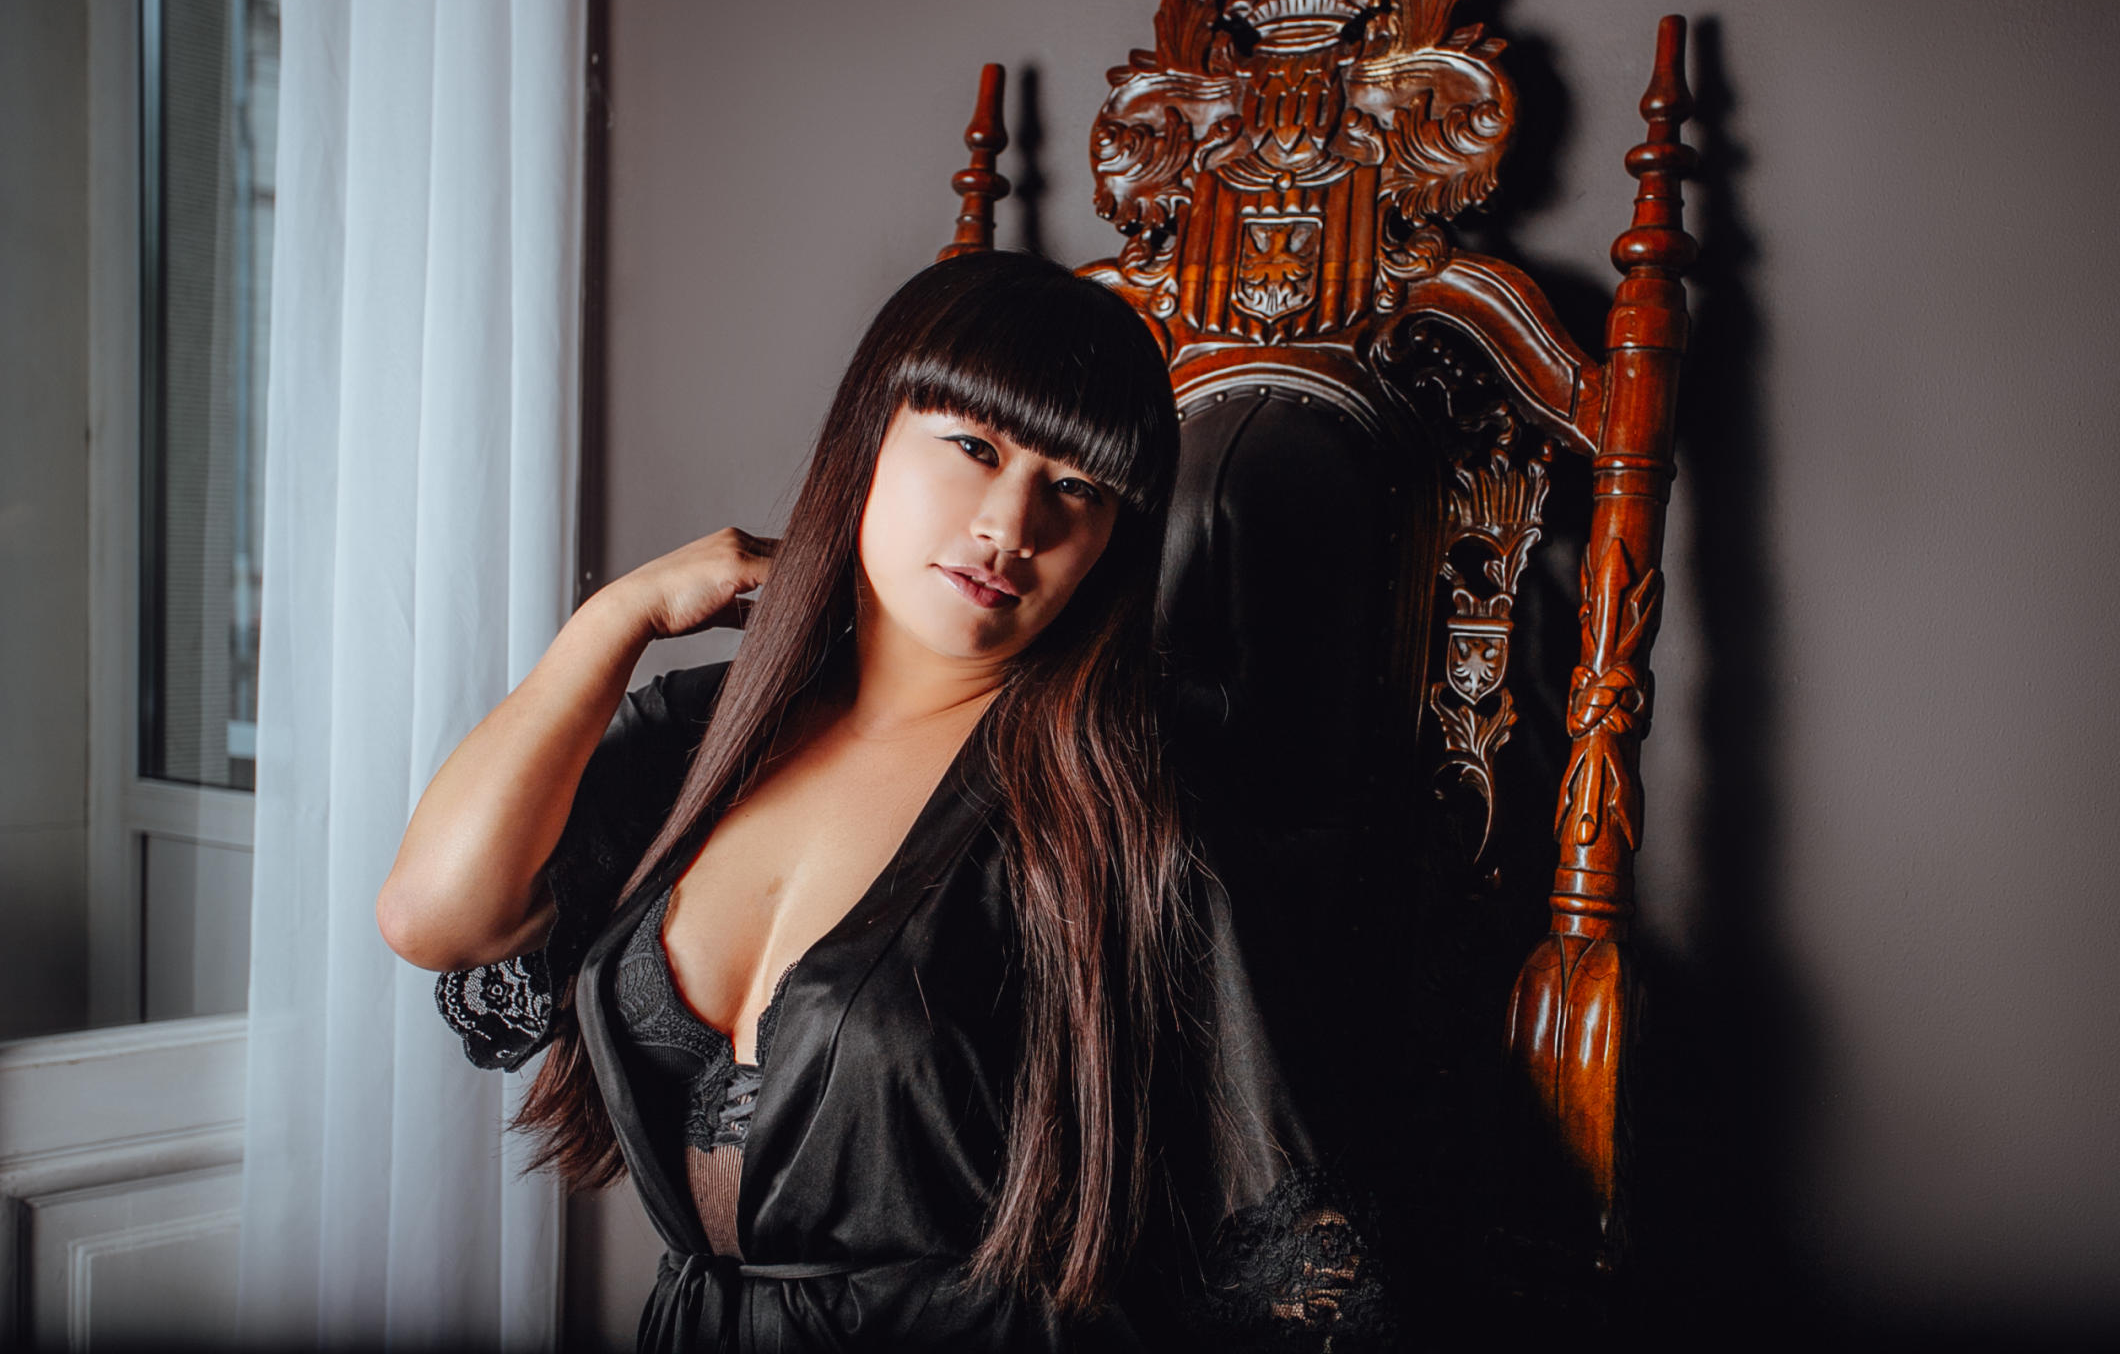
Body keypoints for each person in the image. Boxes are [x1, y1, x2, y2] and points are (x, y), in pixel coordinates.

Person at [378, 252, 1392, 1351]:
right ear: (871, 432)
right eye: (975, 448)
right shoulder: (703, 736)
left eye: (1076, 488)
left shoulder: (1121, 816)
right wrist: (616, 620)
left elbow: (1294, 1274)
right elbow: (438, 917)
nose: (1012, 525)